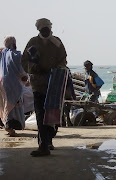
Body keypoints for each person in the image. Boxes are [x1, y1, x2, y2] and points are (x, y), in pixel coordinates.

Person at [21, 18, 67, 157]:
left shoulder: (57, 42)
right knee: (40, 114)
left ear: (50, 29)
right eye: (43, 30)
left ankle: (48, 140)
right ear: (39, 30)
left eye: (47, 29)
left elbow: (63, 60)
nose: (45, 31)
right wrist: (34, 68)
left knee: (53, 113)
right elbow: (24, 61)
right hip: (38, 84)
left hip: (53, 84)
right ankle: (43, 145)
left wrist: (56, 69)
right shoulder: (32, 42)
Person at [0, 36, 29, 136]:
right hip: (14, 84)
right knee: (15, 103)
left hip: (3, 83)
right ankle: (11, 126)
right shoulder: (16, 55)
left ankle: (8, 126)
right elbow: (21, 70)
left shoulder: (3, 53)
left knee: (6, 104)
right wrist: (26, 80)